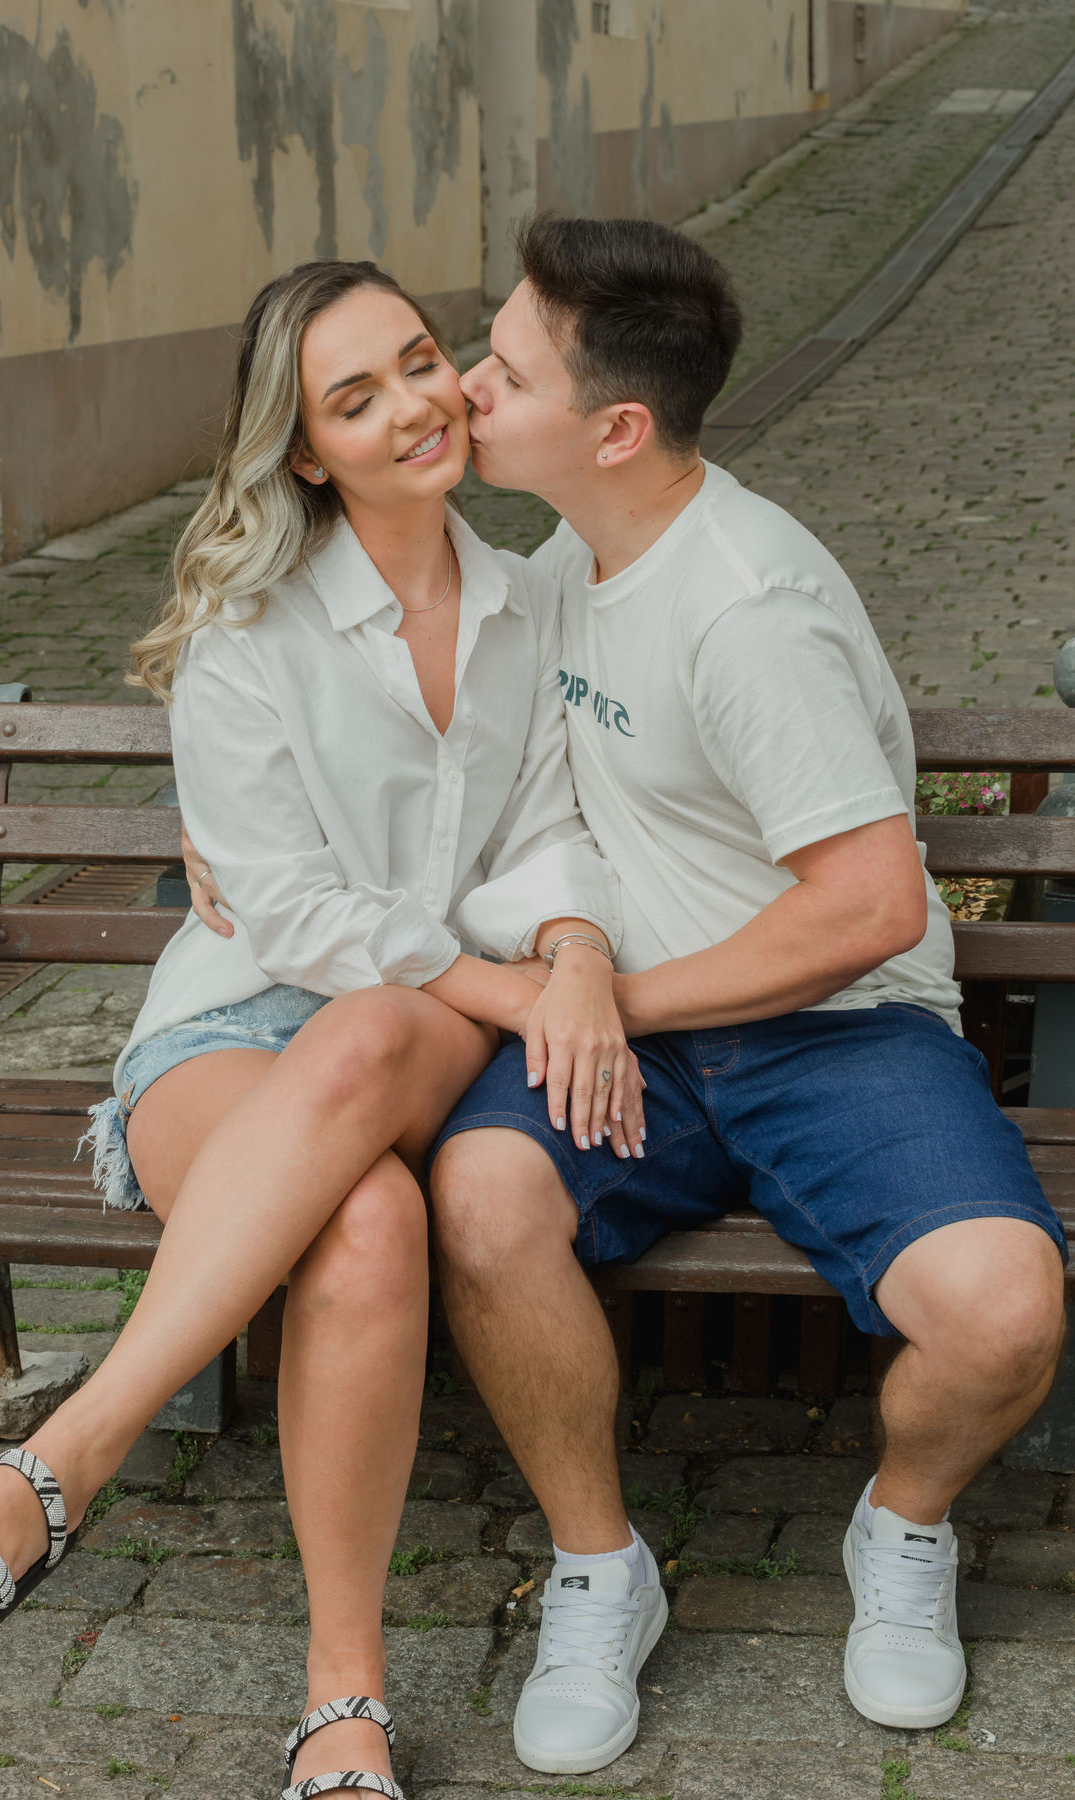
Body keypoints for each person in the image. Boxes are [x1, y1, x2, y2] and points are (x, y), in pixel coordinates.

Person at [0, 259, 646, 1800]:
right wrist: (513, 985)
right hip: (234, 1026)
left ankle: (70, 1454)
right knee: (365, 1222)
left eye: (418, 359)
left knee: (367, 1036)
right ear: (303, 452)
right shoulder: (248, 627)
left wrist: (565, 954)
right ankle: (341, 1700)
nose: (414, 405)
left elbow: (563, 827)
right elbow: (286, 914)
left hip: (423, 1027)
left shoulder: (536, 598)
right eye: (355, 398)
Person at [419, 216, 1067, 1773]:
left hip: (833, 1034)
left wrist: (621, 999)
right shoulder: (571, 556)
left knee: (1002, 1312)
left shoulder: (745, 608)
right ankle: (599, 1568)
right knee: (485, 1198)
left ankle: (904, 1526)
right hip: (635, 1032)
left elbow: (871, 905)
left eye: (504, 371)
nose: (464, 388)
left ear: (616, 429)